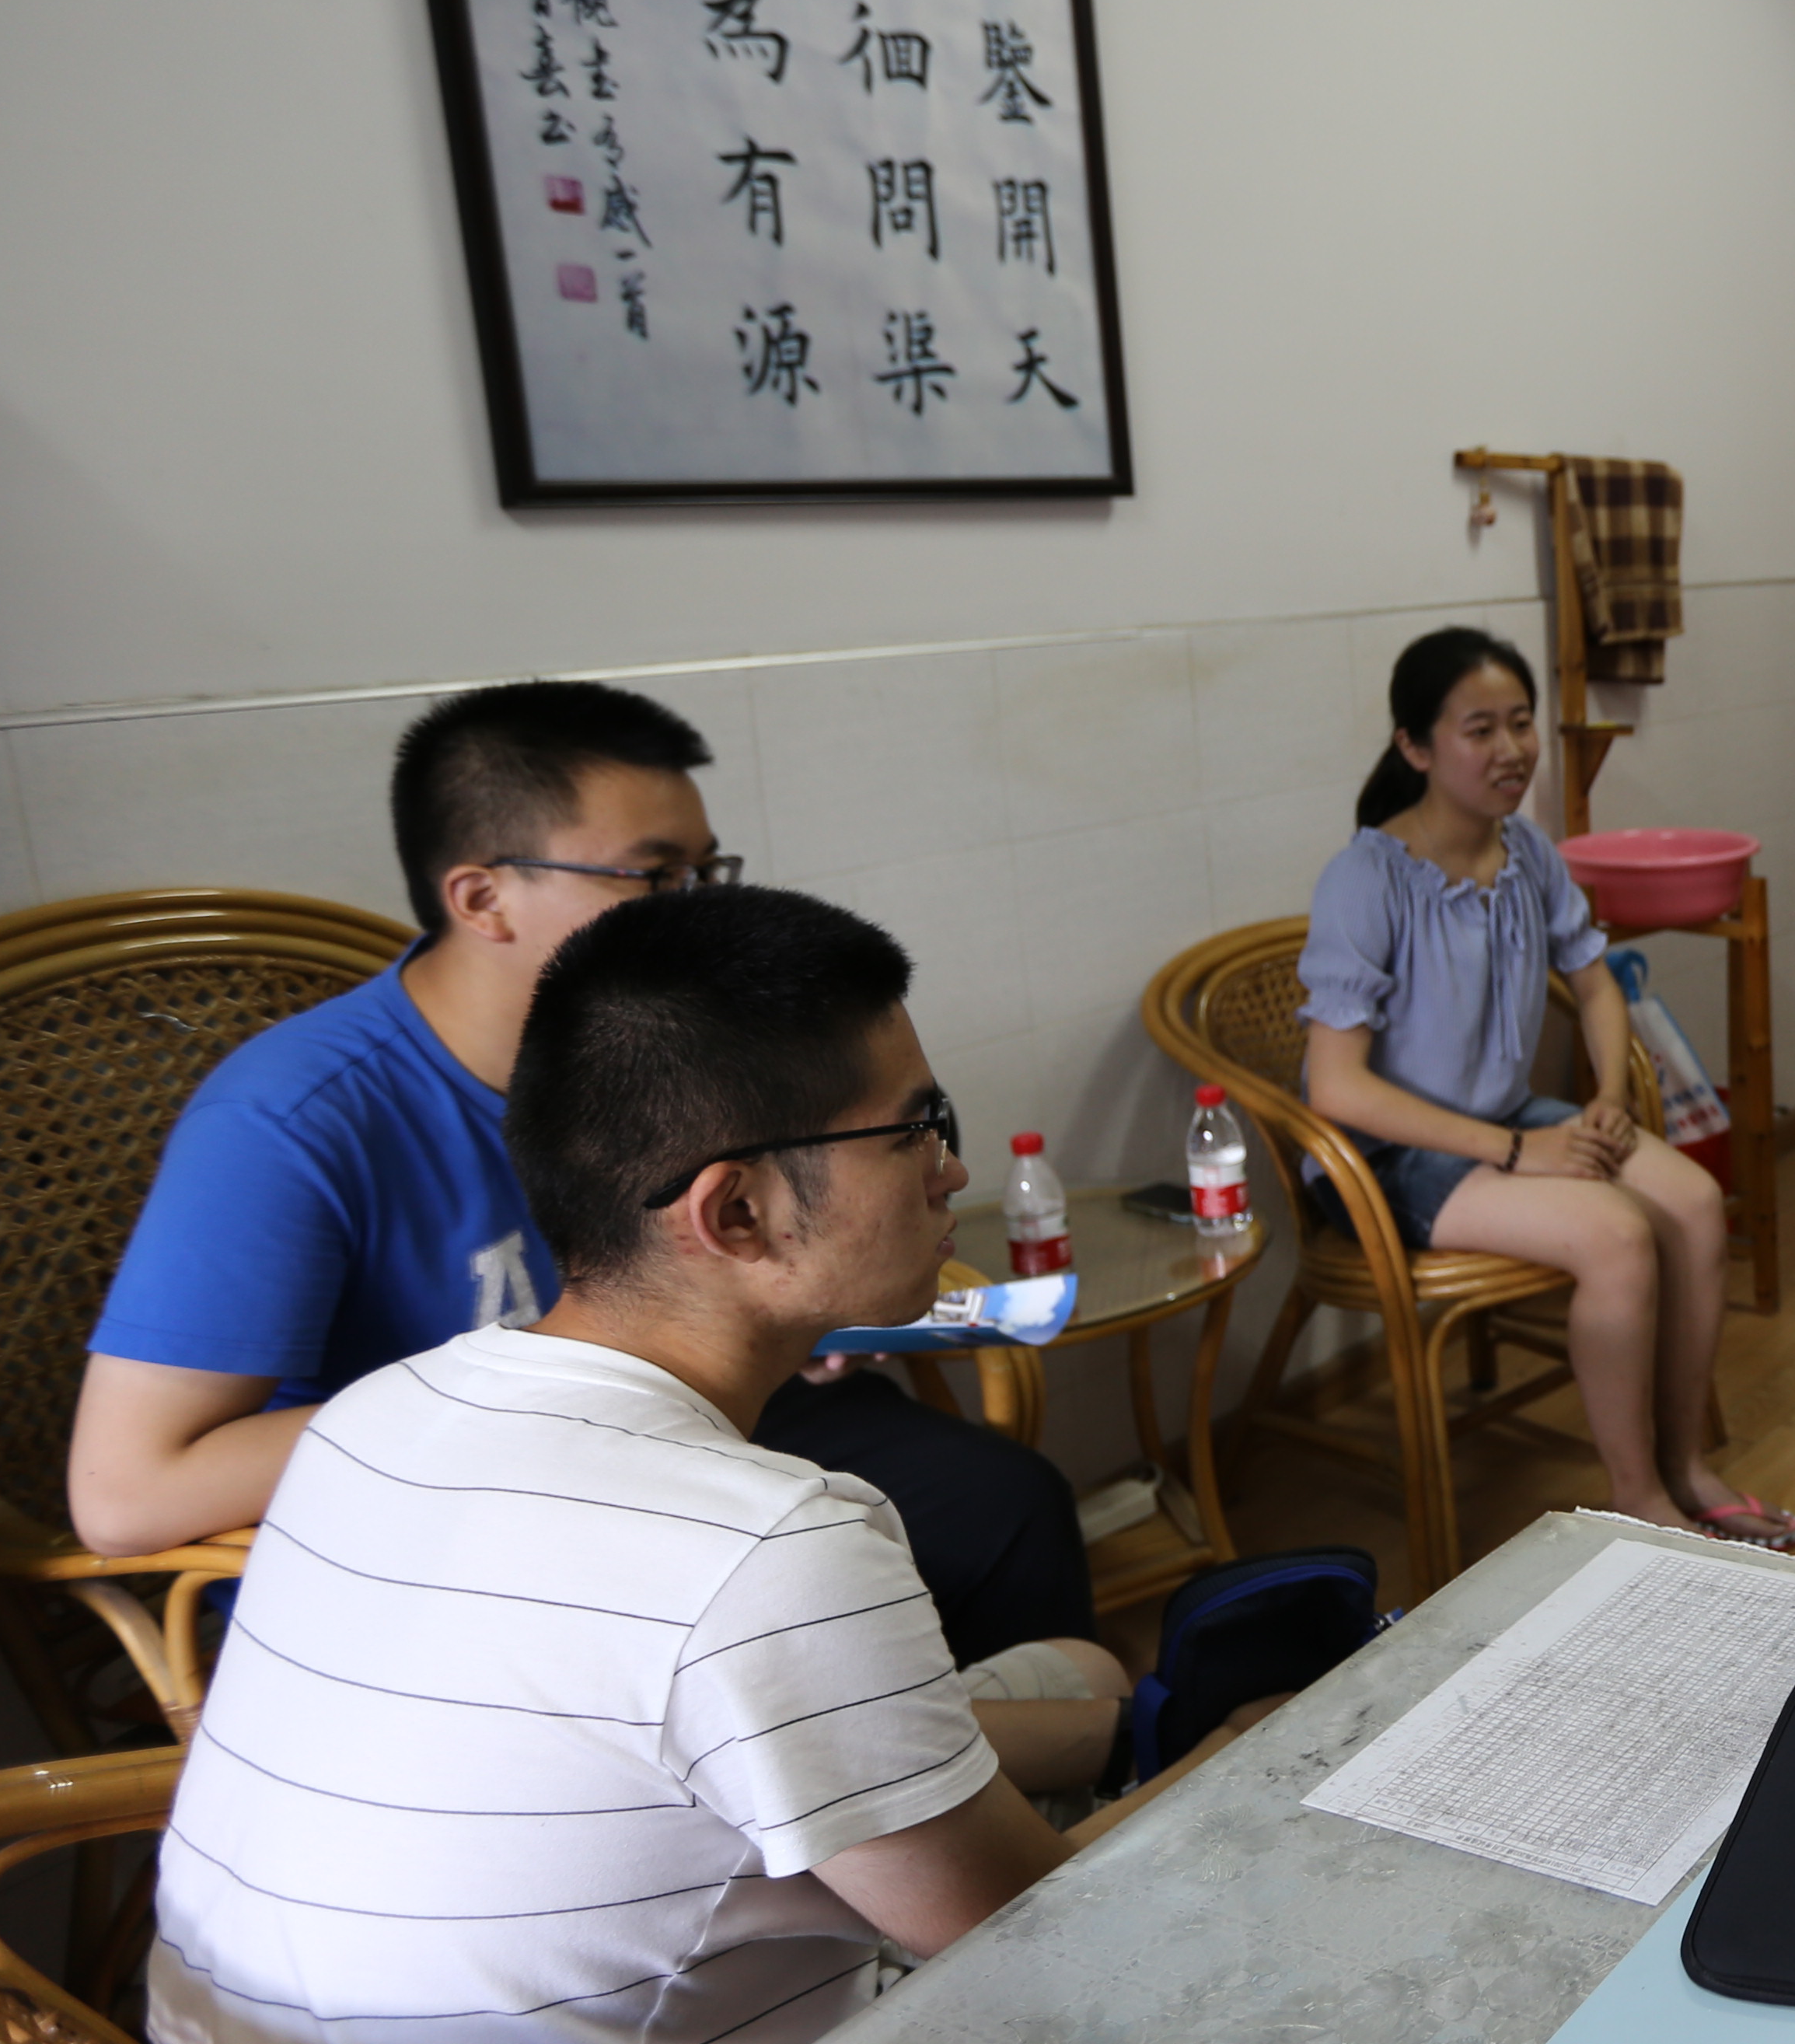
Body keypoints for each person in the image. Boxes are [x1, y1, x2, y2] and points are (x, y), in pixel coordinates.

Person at [145, 886, 1140, 2044]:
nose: (951, 1168)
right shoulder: (774, 1548)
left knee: (1085, 1675)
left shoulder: (373, 1414)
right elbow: (1038, 1940)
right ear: (736, 1213)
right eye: (916, 1129)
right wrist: (1236, 1751)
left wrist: (1116, 1723)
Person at [68, 681, 1093, 1664]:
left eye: (707, 874)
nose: (692, 911)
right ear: (484, 897)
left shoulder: (658, 1052)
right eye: (654, 878)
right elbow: (125, 1494)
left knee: (1000, 1507)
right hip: (466, 1515)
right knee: (785, 1600)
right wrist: (539, 1385)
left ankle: (1000, 1769)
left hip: (680, 1429)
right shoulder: (289, 1120)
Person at [1301, 629, 1793, 1546]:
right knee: (1616, 1236)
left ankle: (1686, 1465)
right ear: (1415, 747)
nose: (1511, 750)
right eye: (1479, 730)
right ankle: (1637, 1497)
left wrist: (1609, 1097)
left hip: (1506, 1120)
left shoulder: (1527, 851)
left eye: (1520, 723)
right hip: (1386, 1158)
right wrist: (1520, 1149)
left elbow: (1597, 985)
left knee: (1692, 1204)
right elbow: (1337, 1089)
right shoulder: (1365, 879)